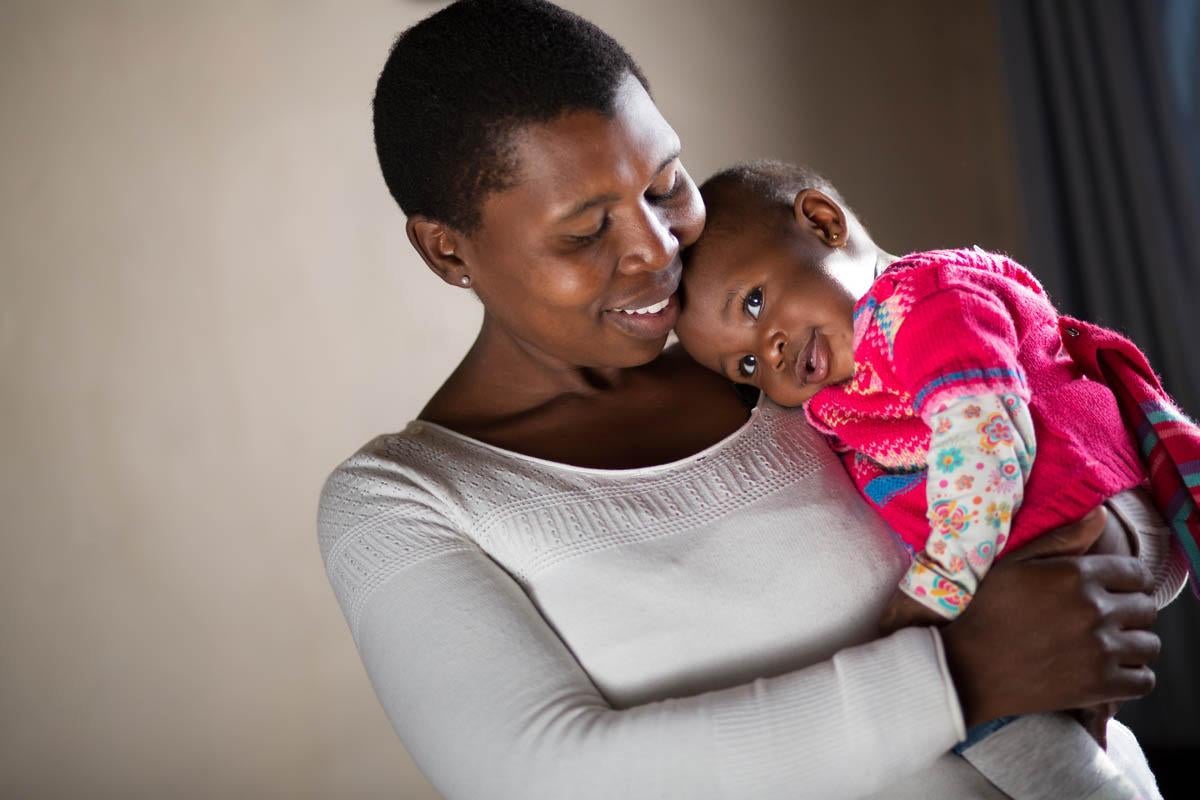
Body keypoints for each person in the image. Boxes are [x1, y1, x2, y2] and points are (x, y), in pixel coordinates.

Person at [318, 2, 1182, 797]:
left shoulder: (777, 353)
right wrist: (966, 676)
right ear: (446, 252)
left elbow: (1050, 452)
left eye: (665, 186)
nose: (656, 250)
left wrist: (1109, 548)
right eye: (587, 230)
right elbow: (543, 776)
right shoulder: (406, 501)